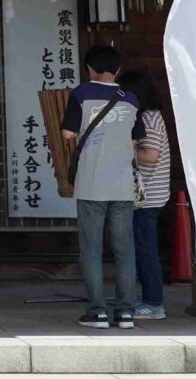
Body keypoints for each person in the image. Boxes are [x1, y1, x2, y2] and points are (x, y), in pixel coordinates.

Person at [61, 44, 154, 329]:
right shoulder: (131, 99)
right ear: (118, 70)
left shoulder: (81, 94)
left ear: (89, 68)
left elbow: (67, 134)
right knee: (124, 249)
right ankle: (126, 312)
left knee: (91, 249)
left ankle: (98, 312)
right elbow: (136, 140)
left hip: (91, 182)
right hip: (122, 184)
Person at [121, 65, 174, 320]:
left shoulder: (148, 118)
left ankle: (154, 303)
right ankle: (146, 299)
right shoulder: (151, 115)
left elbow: (149, 157)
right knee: (143, 246)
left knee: (144, 248)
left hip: (147, 196)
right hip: (149, 194)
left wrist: (122, 149)